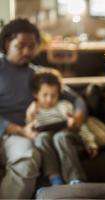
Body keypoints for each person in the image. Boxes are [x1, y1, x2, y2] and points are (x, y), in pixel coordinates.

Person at [0, 18, 87, 198]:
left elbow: (77, 99)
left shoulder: (38, 76)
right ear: (7, 43)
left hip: (22, 134)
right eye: (21, 45)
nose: (27, 51)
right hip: (12, 130)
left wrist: (77, 119)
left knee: (27, 159)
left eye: (31, 46)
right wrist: (20, 130)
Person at [26, 71, 98, 186]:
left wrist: (90, 142)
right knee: (41, 138)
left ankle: (75, 179)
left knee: (60, 137)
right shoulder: (33, 110)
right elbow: (30, 130)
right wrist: (30, 117)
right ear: (36, 94)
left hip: (68, 138)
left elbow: (80, 126)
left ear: (59, 94)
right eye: (45, 95)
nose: (49, 99)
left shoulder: (64, 106)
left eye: (53, 95)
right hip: (48, 142)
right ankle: (55, 178)